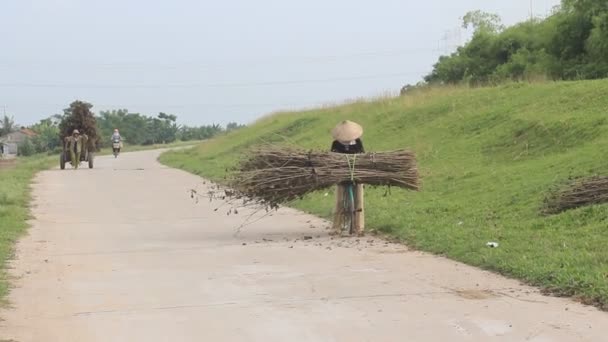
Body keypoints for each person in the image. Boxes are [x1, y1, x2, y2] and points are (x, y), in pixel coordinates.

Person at [330, 120, 365, 235]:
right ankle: (336, 227)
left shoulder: (358, 142)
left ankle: (359, 227)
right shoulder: (336, 144)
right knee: (339, 201)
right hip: (341, 173)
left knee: (359, 200)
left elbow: (363, 155)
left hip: (357, 173)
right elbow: (332, 157)